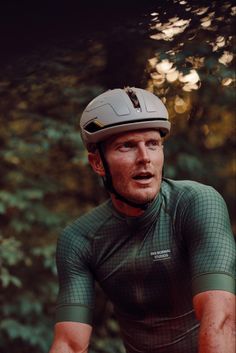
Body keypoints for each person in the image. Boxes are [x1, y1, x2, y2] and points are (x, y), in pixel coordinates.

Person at [49, 87, 235, 353]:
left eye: (152, 144)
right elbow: (69, 343)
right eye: (127, 146)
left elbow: (221, 320)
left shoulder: (196, 203)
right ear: (98, 163)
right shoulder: (79, 239)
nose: (145, 158)